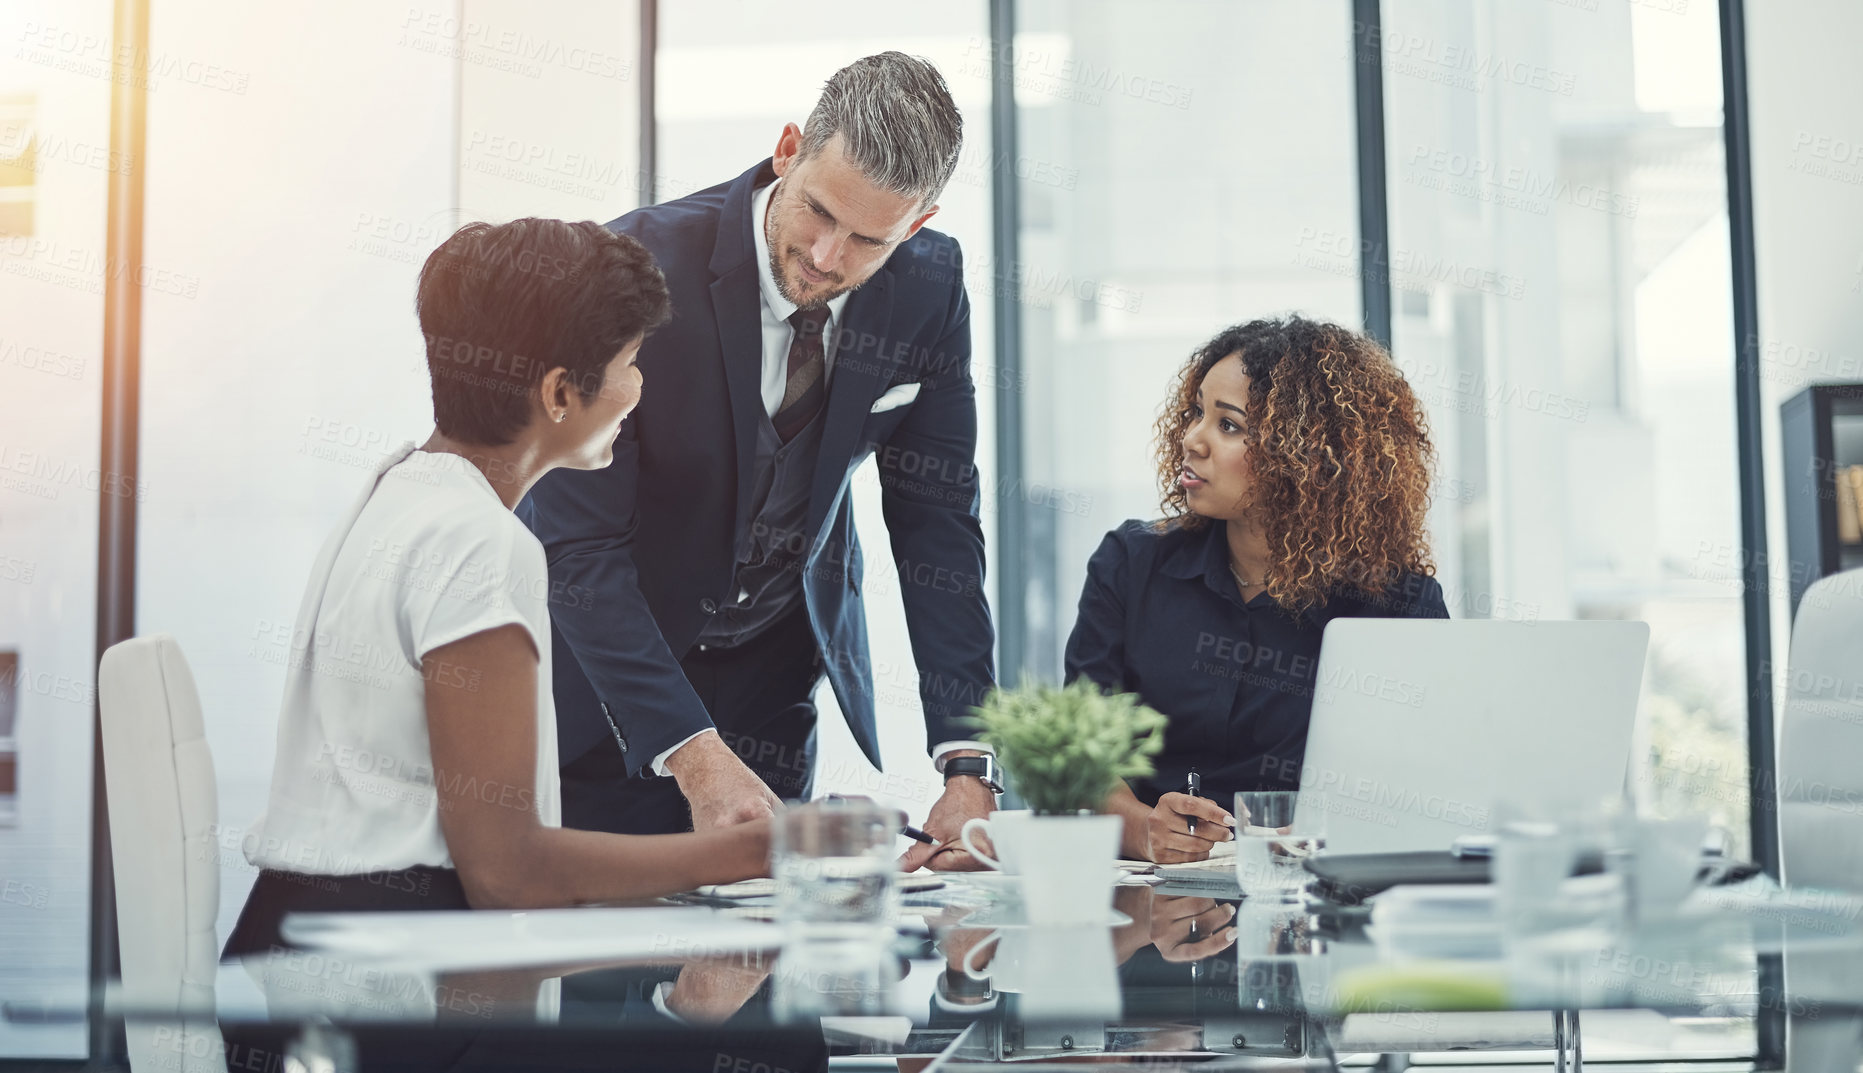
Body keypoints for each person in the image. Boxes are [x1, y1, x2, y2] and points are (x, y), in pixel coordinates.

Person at [225, 218, 772, 957]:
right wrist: (764, 853)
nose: (639, 388)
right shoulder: (481, 540)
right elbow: (507, 873)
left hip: (302, 946)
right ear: (557, 391)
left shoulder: (397, 490)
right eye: (631, 362)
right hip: (380, 984)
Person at [522, 52, 996, 867]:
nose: (824, 255)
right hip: (609, 686)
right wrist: (692, 751)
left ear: (915, 225)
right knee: (609, 966)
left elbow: (938, 525)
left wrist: (968, 759)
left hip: (775, 682)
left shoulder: (928, 288)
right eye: (816, 211)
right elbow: (576, 544)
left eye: (867, 240)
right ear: (787, 149)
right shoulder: (627, 268)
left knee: (762, 964)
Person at [1064, 316, 1450, 865]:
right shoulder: (1130, 564)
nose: (1191, 438)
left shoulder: (1396, 604)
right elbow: (1079, 763)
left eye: (1228, 426)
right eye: (1197, 412)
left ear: (1311, 457)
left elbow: (1421, 785)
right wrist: (1147, 828)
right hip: (1155, 900)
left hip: (1315, 896)